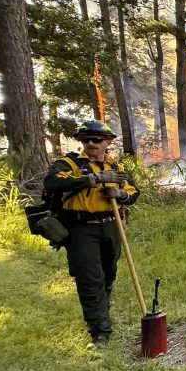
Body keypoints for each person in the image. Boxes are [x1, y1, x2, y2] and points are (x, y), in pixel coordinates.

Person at [43, 120, 139, 347]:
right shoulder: (69, 164)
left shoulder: (115, 168)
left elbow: (134, 191)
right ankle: (100, 331)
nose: (92, 143)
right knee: (90, 278)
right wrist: (93, 179)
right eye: (86, 139)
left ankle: (102, 314)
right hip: (81, 229)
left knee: (108, 274)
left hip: (111, 225)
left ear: (108, 142)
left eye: (97, 139)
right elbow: (53, 183)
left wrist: (120, 194)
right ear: (81, 142)